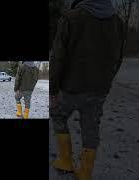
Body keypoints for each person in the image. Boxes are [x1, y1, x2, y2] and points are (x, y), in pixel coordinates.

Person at [50, 0, 125, 179]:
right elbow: (118, 58)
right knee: (91, 127)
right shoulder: (117, 22)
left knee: (58, 114)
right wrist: (106, 83)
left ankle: (65, 161)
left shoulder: (70, 18)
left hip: (71, 88)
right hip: (98, 90)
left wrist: (53, 89)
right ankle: (85, 172)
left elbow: (58, 57)